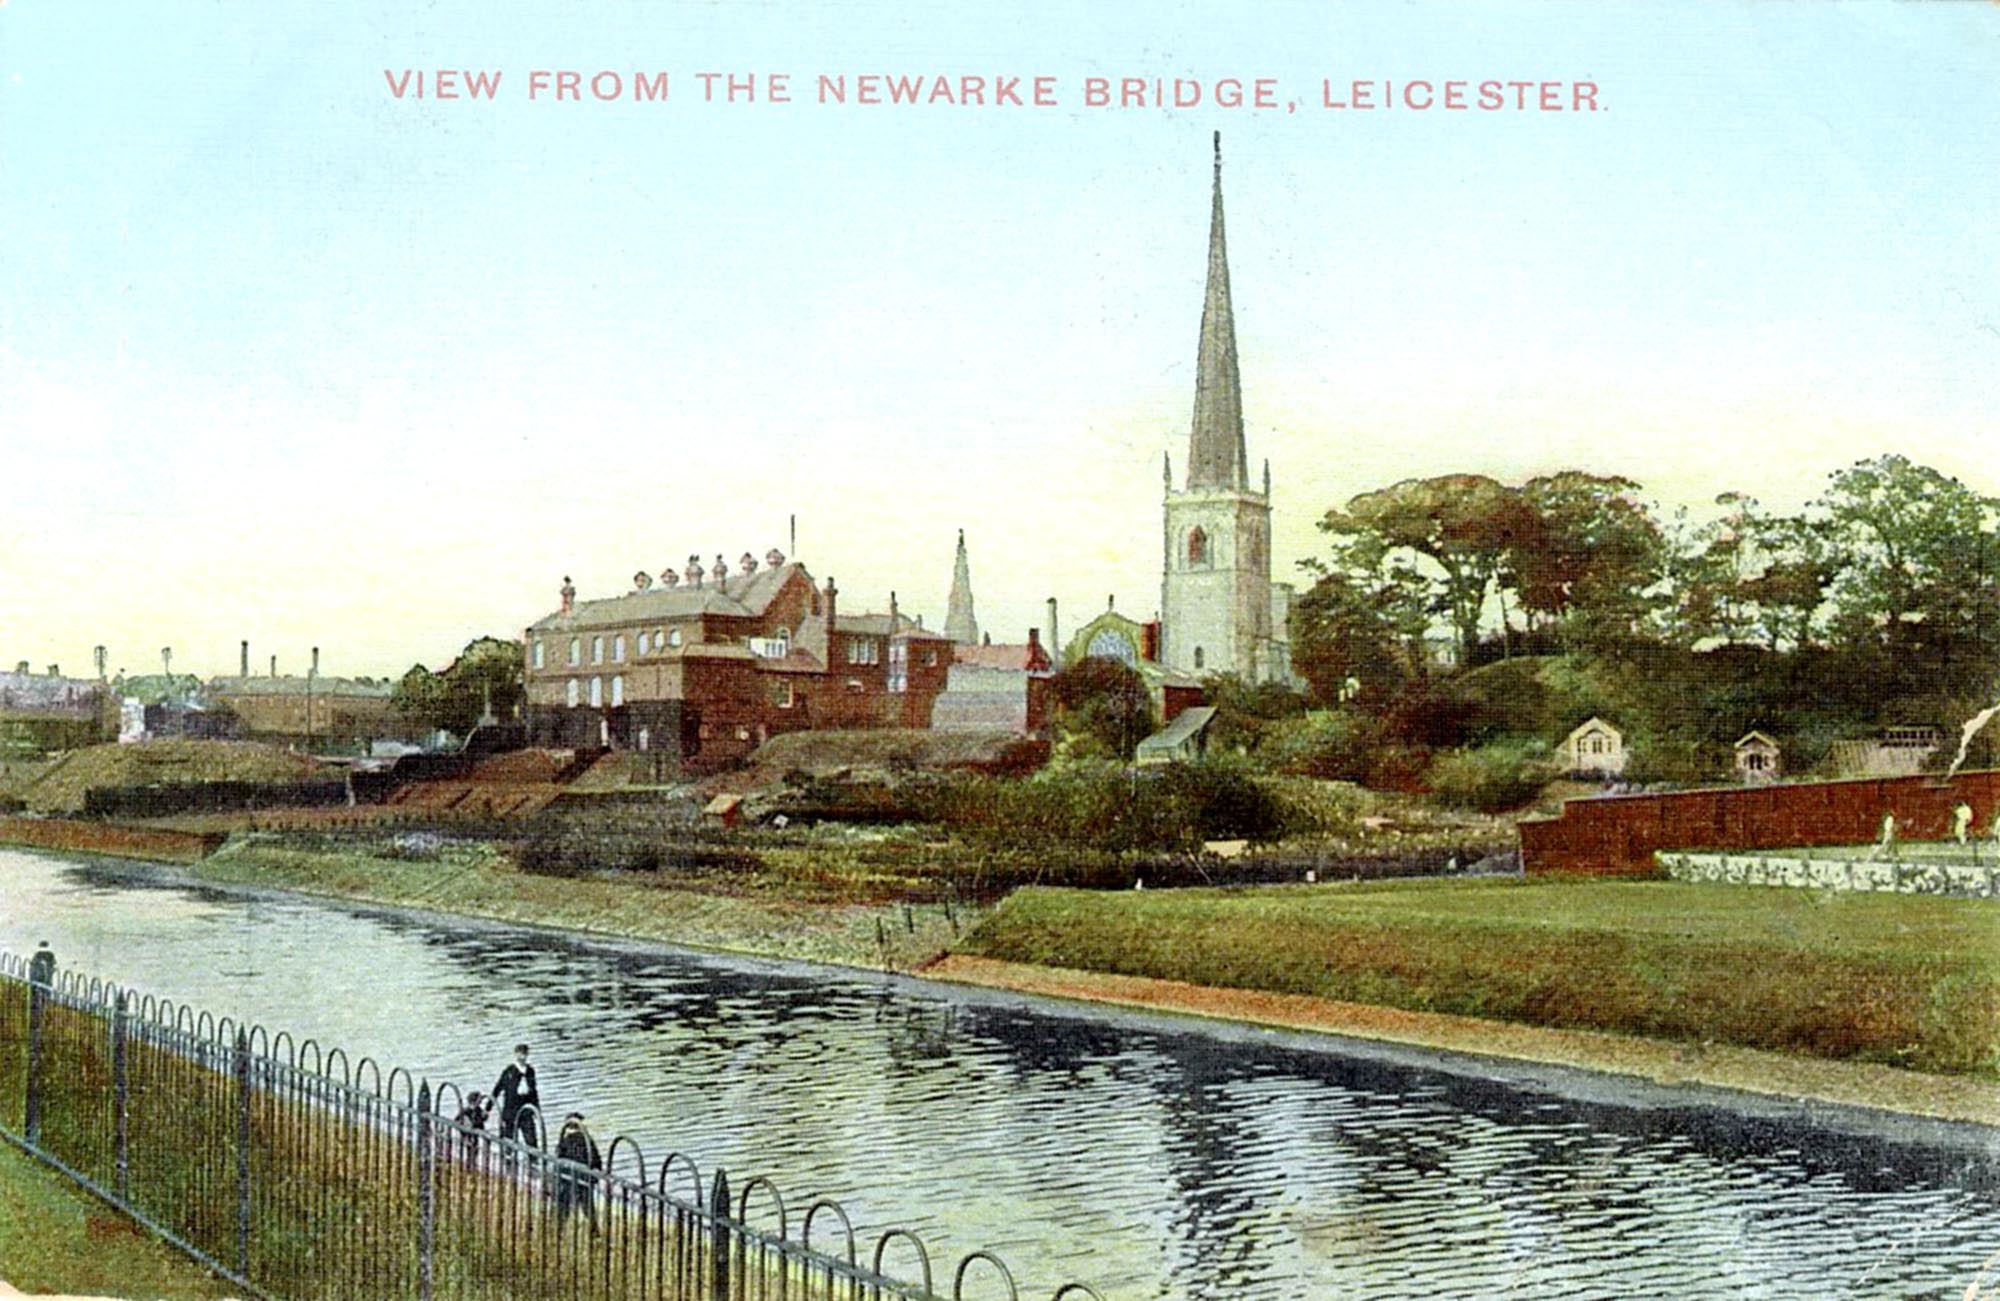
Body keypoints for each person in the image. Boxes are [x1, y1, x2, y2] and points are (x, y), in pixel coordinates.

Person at [553, 1112, 603, 1232]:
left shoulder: (564, 1140)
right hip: (584, 1179)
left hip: (567, 1178)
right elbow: (596, 1161)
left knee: (564, 1206)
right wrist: (594, 1178)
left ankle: (559, 1229)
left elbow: (559, 1159)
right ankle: (594, 1230)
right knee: (588, 1206)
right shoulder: (587, 1141)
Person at [493, 1044, 540, 1149]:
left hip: (526, 1110)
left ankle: (532, 1163)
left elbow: (534, 1092)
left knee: (531, 1141)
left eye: (524, 1054)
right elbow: (498, 1088)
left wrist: (537, 1109)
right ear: (516, 1055)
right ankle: (508, 1163)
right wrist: (488, 1108)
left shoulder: (530, 1071)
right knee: (509, 1141)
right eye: (520, 1054)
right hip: (511, 1111)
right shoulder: (509, 1071)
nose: (522, 1057)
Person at [453, 1091, 491, 1167]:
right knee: (470, 1149)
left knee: (475, 1149)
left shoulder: (478, 1110)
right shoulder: (466, 1111)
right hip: (467, 1134)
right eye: (479, 1100)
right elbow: (457, 1120)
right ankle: (469, 1163)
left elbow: (480, 1120)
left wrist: (485, 1117)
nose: (480, 1102)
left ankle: (473, 1163)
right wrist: (464, 1123)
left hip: (475, 1132)